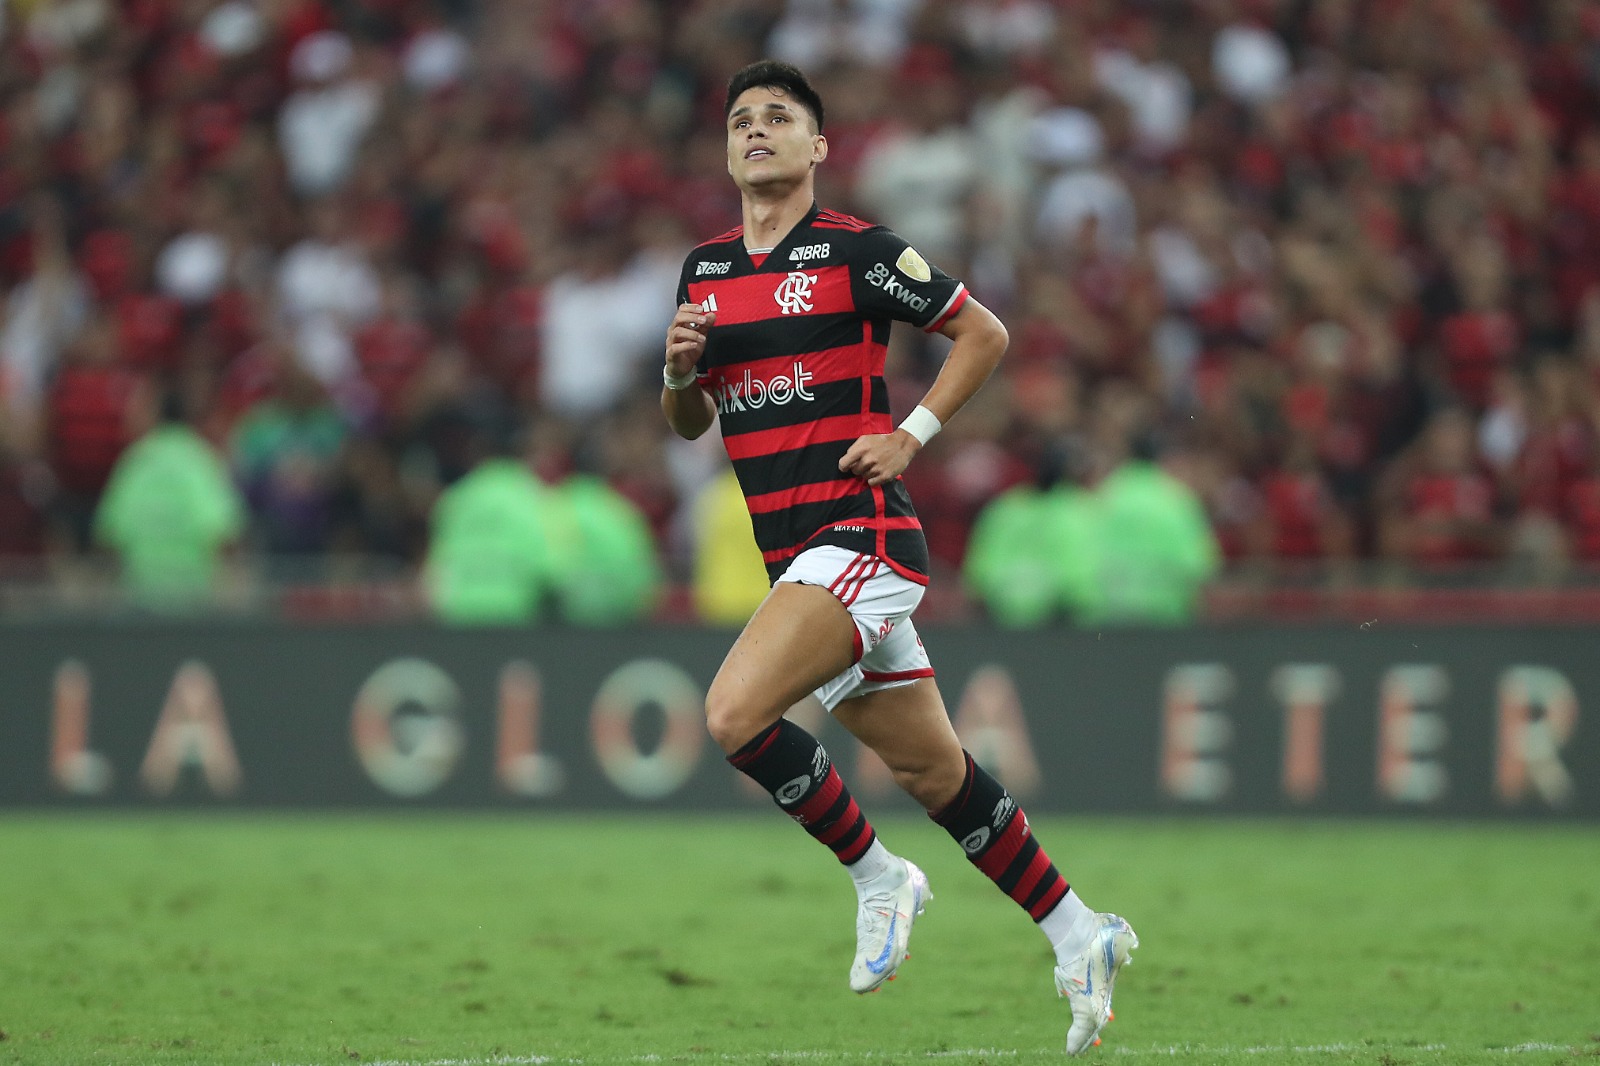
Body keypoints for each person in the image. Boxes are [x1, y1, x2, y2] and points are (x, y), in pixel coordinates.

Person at [660, 60, 1137, 1054]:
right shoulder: (704, 270)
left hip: (860, 535)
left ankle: (878, 876)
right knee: (936, 772)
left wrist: (912, 432)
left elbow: (983, 330)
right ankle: (1077, 929)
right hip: (791, 549)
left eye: (778, 118)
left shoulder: (856, 250)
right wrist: (675, 375)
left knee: (732, 713)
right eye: (741, 118)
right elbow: (687, 421)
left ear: (816, 147)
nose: (756, 130)